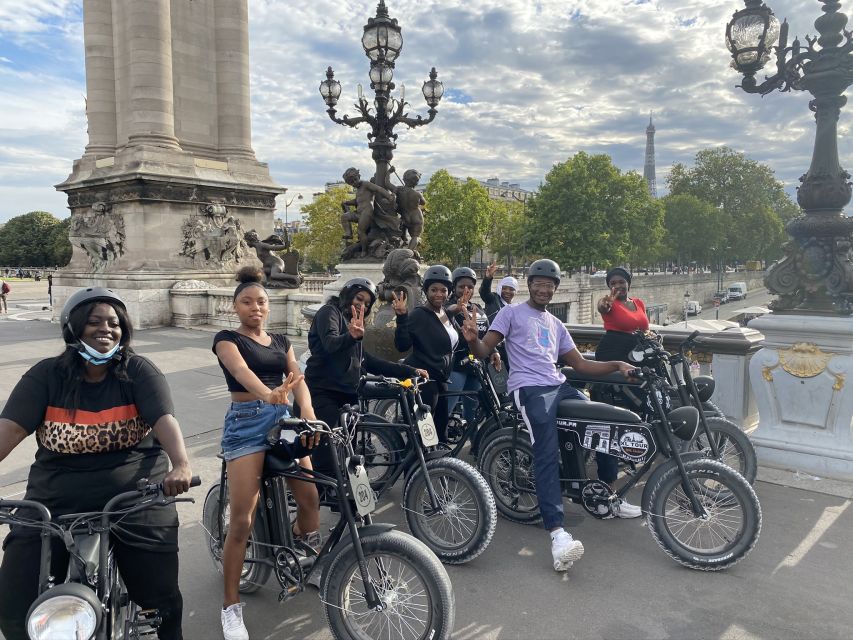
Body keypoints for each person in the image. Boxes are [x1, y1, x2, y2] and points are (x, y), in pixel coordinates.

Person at [0, 287, 193, 639]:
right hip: (54, 497)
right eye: (94, 322)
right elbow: (8, 431)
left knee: (160, 600)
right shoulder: (45, 376)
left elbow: (165, 420)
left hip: (134, 496)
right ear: (73, 328)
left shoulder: (138, 371)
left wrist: (180, 464)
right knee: (15, 602)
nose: (106, 329)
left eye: (114, 323)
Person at [461, 259, 637, 572]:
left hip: (559, 385)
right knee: (545, 449)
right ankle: (557, 535)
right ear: (529, 285)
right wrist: (472, 338)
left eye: (550, 285)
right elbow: (483, 352)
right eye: (539, 283)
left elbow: (580, 365)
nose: (544, 289)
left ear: (555, 289)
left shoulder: (556, 324)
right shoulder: (510, 313)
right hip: (529, 389)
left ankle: (608, 498)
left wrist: (616, 366)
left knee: (602, 423)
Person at [212, 267, 320, 640]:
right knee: (241, 520)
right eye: (247, 302)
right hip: (247, 423)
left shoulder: (279, 339)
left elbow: (297, 377)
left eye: (261, 301)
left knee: (311, 502)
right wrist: (268, 393)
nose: (255, 307)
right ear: (235, 306)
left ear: (268, 306)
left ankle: (290, 548)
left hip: (284, 419)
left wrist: (306, 411)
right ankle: (230, 606)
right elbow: (241, 373)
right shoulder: (226, 339)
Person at [305, 277, 428, 472]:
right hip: (323, 394)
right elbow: (330, 344)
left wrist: (409, 371)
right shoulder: (329, 313)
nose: (362, 305)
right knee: (327, 457)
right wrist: (351, 336)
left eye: (367, 303)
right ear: (347, 296)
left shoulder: (353, 327)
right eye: (359, 299)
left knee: (349, 456)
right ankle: (325, 494)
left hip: (347, 395)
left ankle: (348, 497)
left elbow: (370, 362)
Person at [590, 267, 648, 517]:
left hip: (637, 362)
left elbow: (643, 328)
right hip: (613, 362)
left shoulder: (638, 303)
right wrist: (608, 300)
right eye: (613, 283)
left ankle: (628, 457)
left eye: (621, 282)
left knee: (638, 415)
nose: (618, 286)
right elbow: (603, 307)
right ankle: (608, 491)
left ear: (629, 283)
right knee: (611, 424)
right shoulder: (608, 304)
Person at [391, 265, 457, 443]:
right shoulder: (419, 314)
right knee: (424, 435)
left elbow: (452, 339)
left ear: (449, 292)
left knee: (440, 431)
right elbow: (402, 345)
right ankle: (414, 469)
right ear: (426, 291)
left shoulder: (443, 313)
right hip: (425, 381)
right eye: (434, 290)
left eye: (443, 290)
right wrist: (402, 317)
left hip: (441, 379)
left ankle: (440, 469)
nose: (439, 294)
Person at [445, 266, 501, 425]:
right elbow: (446, 314)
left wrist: (494, 351)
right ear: (454, 287)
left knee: (472, 408)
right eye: (461, 286)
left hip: (476, 366)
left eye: (470, 286)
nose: (466, 290)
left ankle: (474, 443)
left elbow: (485, 334)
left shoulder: (477, 308)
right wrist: (457, 308)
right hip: (457, 366)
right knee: (448, 407)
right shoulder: (447, 307)